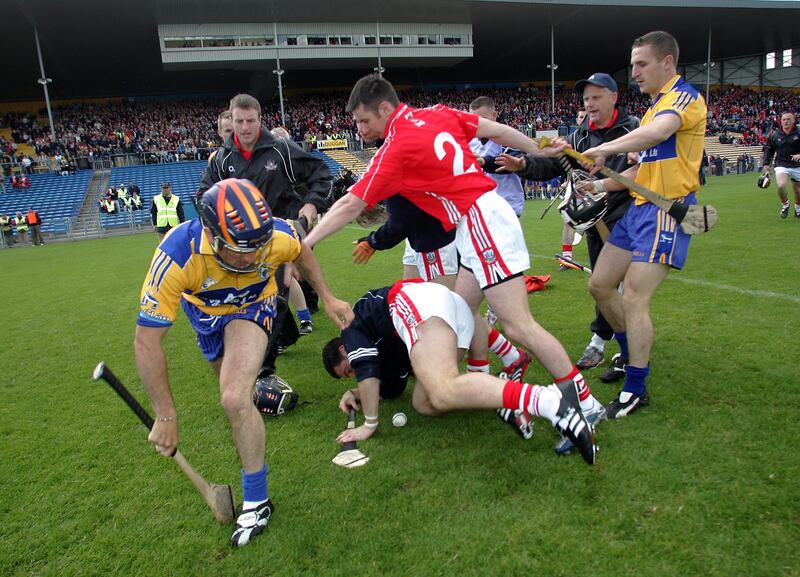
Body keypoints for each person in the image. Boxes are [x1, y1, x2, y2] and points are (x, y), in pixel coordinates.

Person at [304, 74, 604, 435]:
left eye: (363, 120)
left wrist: (307, 241)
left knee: (518, 325)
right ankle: (490, 384)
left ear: (385, 107)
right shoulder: (436, 113)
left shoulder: (397, 145)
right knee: (458, 308)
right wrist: (537, 147)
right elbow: (494, 129)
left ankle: (584, 404)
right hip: (479, 219)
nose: (361, 129)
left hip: (478, 219)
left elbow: (351, 203)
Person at [135, 178, 352, 547]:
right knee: (236, 402)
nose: (252, 258)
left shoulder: (273, 237)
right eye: (240, 251)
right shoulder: (175, 258)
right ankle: (248, 445)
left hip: (253, 306)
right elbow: (147, 340)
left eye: (258, 247)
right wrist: (165, 414)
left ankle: (256, 500)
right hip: (205, 317)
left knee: (234, 397)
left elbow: (300, 251)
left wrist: (327, 298)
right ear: (211, 235)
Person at [322, 280, 596, 465]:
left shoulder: (351, 326)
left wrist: (369, 424)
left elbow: (366, 370)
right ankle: (507, 399)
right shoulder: (378, 353)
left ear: (346, 350)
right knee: (426, 403)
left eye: (348, 370)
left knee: (442, 390)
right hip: (456, 316)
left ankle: (548, 401)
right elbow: (392, 388)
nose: (353, 374)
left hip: (421, 305)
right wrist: (357, 392)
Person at [580, 31, 707, 418]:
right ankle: (626, 352)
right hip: (638, 209)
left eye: (641, 63)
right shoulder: (654, 106)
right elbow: (639, 170)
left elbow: (659, 132)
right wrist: (598, 183)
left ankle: (636, 387)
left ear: (667, 62)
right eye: (633, 63)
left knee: (634, 296)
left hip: (667, 211)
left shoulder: (683, 98)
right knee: (600, 285)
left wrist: (604, 147)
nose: (634, 71)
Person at [497, 73, 640, 378]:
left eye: (596, 97)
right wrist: (523, 165)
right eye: (586, 98)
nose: (589, 104)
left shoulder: (634, 130)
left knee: (628, 289)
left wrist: (600, 186)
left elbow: (643, 172)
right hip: (595, 220)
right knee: (603, 287)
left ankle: (624, 348)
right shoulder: (580, 136)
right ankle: (606, 342)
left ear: (614, 97)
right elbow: (552, 165)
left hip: (630, 218)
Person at [759, 112, 800, 219]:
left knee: (798, 191)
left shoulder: (798, 133)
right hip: (781, 164)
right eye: (783, 120)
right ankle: (785, 205)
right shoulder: (775, 135)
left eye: (788, 119)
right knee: (781, 185)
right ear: (780, 121)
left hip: (797, 165)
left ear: (793, 121)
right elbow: (769, 149)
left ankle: (798, 208)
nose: (785, 121)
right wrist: (766, 164)